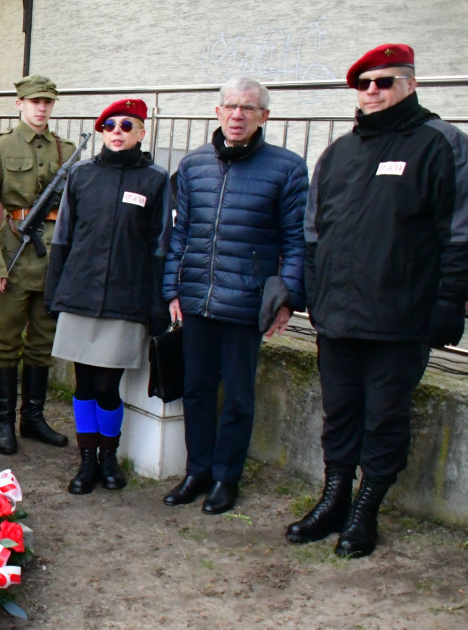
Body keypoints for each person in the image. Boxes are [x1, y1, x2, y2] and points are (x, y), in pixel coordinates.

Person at [289, 44, 468, 558]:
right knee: (339, 412)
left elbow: (458, 233)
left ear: (409, 84)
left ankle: (367, 508)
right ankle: (335, 498)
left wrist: (448, 302)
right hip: (339, 315)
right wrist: (315, 296)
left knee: (384, 416)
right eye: (364, 83)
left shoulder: (443, 143)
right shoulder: (340, 151)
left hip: (401, 315)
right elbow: (313, 233)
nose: (372, 91)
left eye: (384, 82)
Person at [162, 77, 308, 515]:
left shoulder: (286, 167)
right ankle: (198, 470)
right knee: (197, 390)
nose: (238, 115)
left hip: (247, 303)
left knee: (239, 396)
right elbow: (180, 235)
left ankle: (227, 477)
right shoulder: (193, 166)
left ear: (265, 116)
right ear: (217, 112)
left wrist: (286, 296)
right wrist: (173, 288)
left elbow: (296, 241)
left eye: (248, 108)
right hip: (198, 299)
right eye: (230, 106)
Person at [44, 99, 171, 494]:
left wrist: (158, 303)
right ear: (101, 132)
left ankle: (108, 456)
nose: (118, 131)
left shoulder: (155, 179)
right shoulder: (82, 176)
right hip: (81, 293)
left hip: (126, 297)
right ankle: (86, 460)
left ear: (141, 132)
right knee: (83, 385)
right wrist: (55, 292)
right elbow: (63, 237)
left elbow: (160, 245)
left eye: (127, 126)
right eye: (110, 125)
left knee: (107, 386)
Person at [0, 75, 75, 455]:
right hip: (14, 254)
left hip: (53, 256)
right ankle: (4, 423)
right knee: (3, 343)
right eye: (34, 101)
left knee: (42, 343)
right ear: (19, 103)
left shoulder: (66, 150)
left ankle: (32, 418)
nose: (41, 108)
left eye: (47, 102)